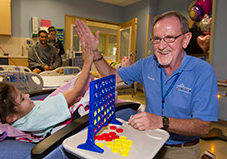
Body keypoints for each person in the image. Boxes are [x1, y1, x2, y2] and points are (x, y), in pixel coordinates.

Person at [75, 11, 218, 159]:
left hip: (181, 149)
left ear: (185, 40)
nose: (162, 46)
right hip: (148, 140)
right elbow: (111, 76)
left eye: (170, 38)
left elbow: (204, 126)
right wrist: (95, 51)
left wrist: (160, 121)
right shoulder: (147, 64)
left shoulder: (202, 72)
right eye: (157, 39)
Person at [0, 41, 93, 137]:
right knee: (88, 85)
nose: (28, 95)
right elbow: (75, 91)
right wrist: (87, 63)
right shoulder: (39, 116)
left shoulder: (19, 118)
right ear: (11, 118)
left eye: (23, 94)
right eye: (22, 99)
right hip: (70, 123)